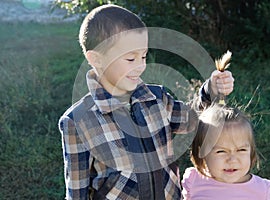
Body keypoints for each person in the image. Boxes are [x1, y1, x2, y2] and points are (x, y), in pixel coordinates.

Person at [58, 4, 234, 200]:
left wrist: (211, 90)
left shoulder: (157, 98)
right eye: (131, 59)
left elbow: (192, 119)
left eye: (143, 56)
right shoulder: (78, 121)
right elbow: (76, 192)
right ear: (96, 59)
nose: (141, 66)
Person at [181, 104, 270, 200]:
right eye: (221, 151)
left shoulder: (264, 191)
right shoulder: (194, 181)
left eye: (241, 150)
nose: (232, 160)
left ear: (251, 151)